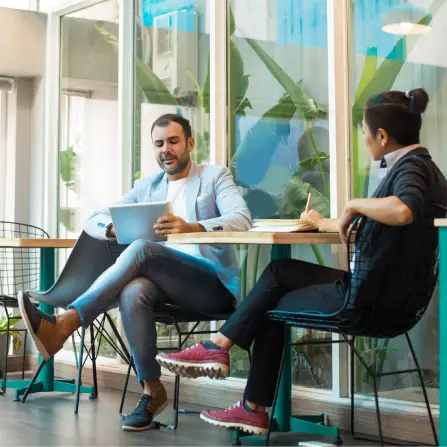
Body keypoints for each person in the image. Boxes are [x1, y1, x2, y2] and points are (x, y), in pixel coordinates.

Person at [156, 89, 447, 435]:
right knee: (279, 273)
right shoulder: (427, 168)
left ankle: (241, 388)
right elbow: (391, 226)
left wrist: (353, 204)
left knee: (269, 300)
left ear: (382, 136)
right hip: (389, 294)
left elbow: (403, 210)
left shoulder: (411, 168)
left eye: (364, 132)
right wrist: (324, 222)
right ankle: (229, 369)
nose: (365, 138)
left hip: (369, 298)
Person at [18, 113, 252, 431]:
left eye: (173, 141)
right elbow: (95, 218)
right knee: (133, 290)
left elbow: (241, 219)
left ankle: (64, 324)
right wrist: (111, 227)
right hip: (166, 287)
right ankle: (152, 391)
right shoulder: (146, 187)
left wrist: (192, 227)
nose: (165, 149)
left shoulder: (214, 177)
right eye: (159, 144)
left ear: (190, 143)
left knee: (142, 248)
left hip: (212, 286)